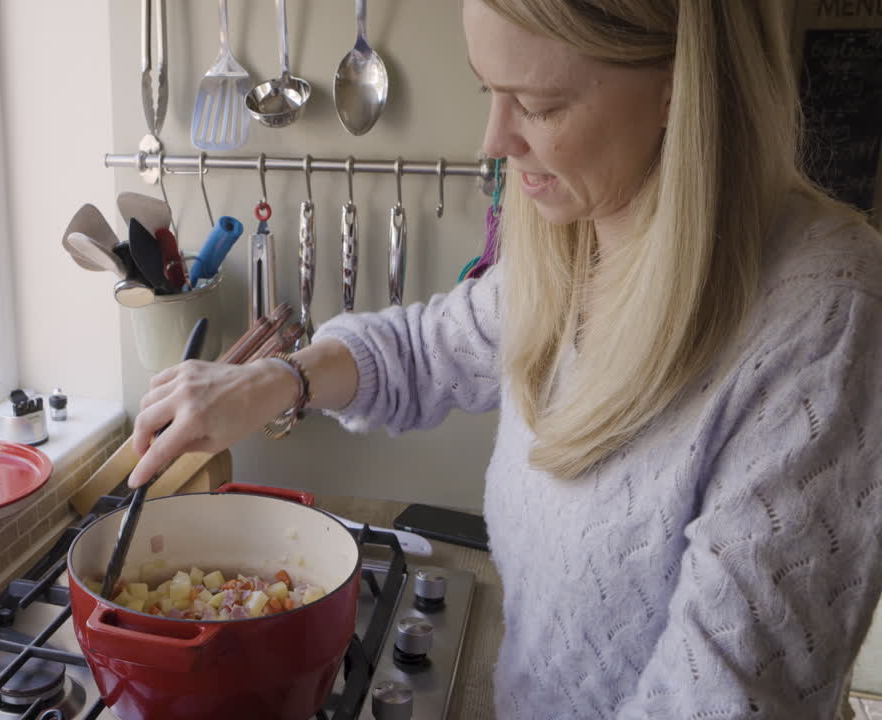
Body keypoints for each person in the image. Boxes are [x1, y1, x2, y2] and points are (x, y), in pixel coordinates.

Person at [129, 0, 882, 717]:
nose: (492, 140)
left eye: (541, 105)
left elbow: (725, 698)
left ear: (681, 89)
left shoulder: (826, 318)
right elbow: (423, 351)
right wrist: (275, 378)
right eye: (488, 88)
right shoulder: (582, 230)